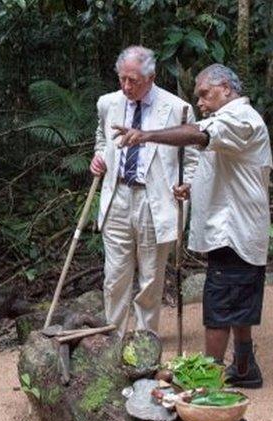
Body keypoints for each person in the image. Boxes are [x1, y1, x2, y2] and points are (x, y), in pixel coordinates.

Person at [113, 63, 272, 388]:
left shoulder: (240, 119)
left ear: (226, 88)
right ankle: (244, 368)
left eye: (204, 94)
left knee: (219, 303)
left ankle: (206, 379)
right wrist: (193, 186)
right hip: (236, 228)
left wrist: (147, 136)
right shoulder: (231, 120)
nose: (199, 102)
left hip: (234, 230)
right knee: (236, 299)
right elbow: (227, 167)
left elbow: (200, 135)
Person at [90, 45, 198, 339]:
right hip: (118, 196)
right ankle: (113, 339)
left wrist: (187, 186)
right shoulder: (107, 103)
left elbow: (192, 157)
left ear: (151, 77)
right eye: (122, 79)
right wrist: (99, 157)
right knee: (114, 277)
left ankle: (144, 341)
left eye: (133, 80)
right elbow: (102, 140)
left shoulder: (178, 108)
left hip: (156, 200)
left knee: (151, 277)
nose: (126, 86)